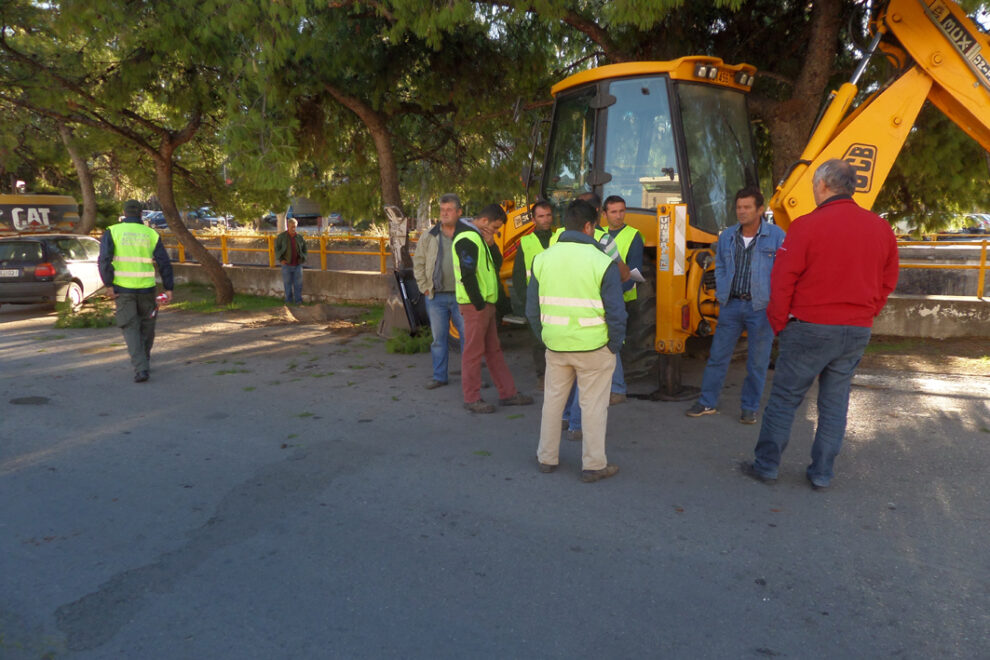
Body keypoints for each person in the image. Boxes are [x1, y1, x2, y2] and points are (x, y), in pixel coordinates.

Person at [740, 159, 899, 490]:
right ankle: (822, 472)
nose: (813, 191)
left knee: (784, 399)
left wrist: (780, 324)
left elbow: (782, 280)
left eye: (814, 186)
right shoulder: (880, 228)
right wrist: (867, 312)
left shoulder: (806, 226)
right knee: (834, 403)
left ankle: (767, 465)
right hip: (856, 329)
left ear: (824, 186)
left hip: (810, 326)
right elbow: (888, 279)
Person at [526, 199, 626, 482]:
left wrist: (545, 337)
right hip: (594, 348)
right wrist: (614, 345)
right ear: (588, 226)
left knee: (553, 403)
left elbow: (532, 309)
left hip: (556, 346)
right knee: (593, 407)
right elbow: (616, 313)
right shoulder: (602, 262)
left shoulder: (543, 259)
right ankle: (594, 465)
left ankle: (546, 458)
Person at [686, 187, 785, 423]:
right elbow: (719, 265)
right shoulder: (728, 236)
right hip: (731, 305)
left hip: (761, 308)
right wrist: (722, 293)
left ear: (760, 210)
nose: (742, 211)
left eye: (747, 207)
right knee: (718, 357)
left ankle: (749, 407)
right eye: (739, 207)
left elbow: (785, 271)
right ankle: (707, 402)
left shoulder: (776, 236)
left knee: (757, 362)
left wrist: (776, 301)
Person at [453, 203, 534, 413]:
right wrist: (479, 304)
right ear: (485, 222)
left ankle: (507, 393)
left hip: (484, 304)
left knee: (493, 351)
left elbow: (495, 264)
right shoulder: (467, 239)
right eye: (496, 228)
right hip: (476, 305)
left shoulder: (478, 238)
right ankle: (472, 398)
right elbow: (467, 275)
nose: (496, 232)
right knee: (474, 352)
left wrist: (491, 244)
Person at [98, 199, 174, 383]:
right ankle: (143, 361)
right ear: (141, 214)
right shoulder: (151, 234)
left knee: (130, 327)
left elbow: (104, 260)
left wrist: (108, 285)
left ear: (124, 213)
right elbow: (164, 262)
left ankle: (141, 368)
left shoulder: (113, 231)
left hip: (123, 290)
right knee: (147, 327)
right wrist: (168, 288)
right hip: (147, 289)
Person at [412, 193, 468, 389]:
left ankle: (470, 379)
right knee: (438, 340)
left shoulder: (468, 234)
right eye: (442, 210)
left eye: (449, 210)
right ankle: (439, 377)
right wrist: (424, 287)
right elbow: (418, 262)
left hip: (463, 297)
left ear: (459, 212)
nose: (444, 214)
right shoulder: (430, 236)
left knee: (468, 339)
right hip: (436, 296)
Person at [510, 200, 558, 389]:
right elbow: (519, 275)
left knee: (556, 339)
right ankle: (542, 376)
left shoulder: (559, 238)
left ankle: (558, 376)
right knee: (539, 341)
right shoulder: (526, 242)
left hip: (558, 298)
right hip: (536, 299)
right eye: (541, 216)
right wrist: (525, 300)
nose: (545, 220)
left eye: (548, 215)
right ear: (533, 219)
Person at [600, 195, 644, 405]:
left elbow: (636, 274)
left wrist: (615, 294)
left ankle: (617, 388)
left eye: (621, 211)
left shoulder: (634, 235)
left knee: (613, 343)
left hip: (622, 298)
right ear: (604, 214)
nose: (619, 216)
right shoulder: (600, 235)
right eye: (614, 212)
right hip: (602, 298)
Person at [275, 218, 307, 304]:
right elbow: (276, 249)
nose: (293, 228)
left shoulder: (299, 237)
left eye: (295, 227)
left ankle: (298, 301)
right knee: (287, 284)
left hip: (298, 264)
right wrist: (281, 259)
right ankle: (288, 301)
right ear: (288, 226)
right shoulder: (281, 237)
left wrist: (303, 257)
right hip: (286, 264)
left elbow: (304, 249)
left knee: (298, 284)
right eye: (291, 227)